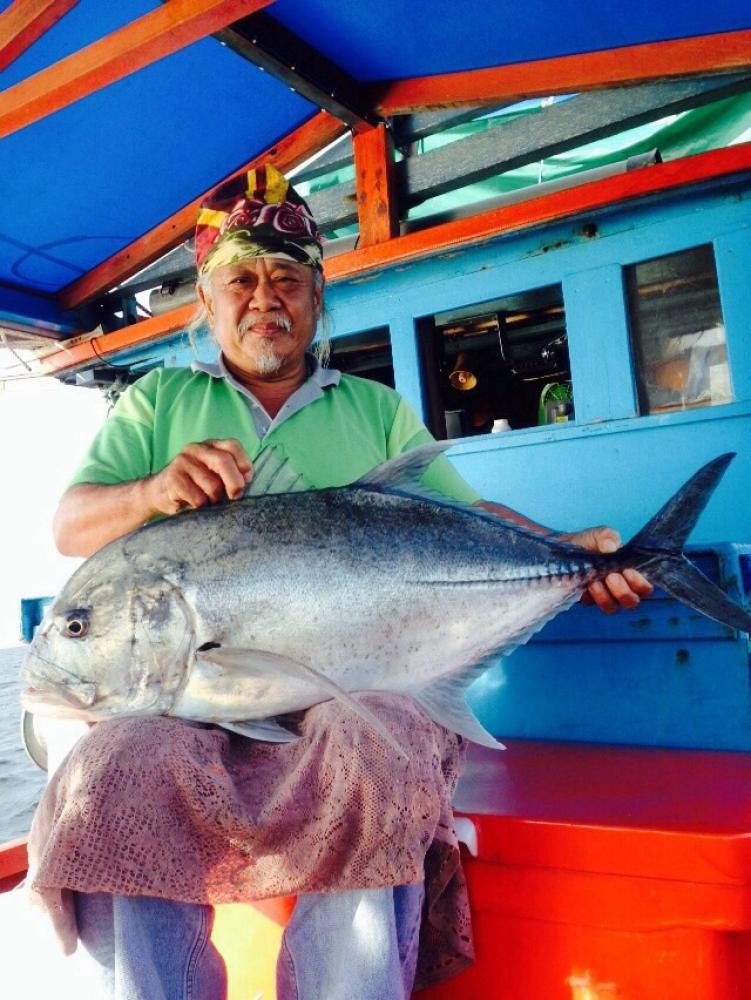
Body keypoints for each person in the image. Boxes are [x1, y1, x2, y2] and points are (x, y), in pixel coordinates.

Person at [32, 164, 651, 1000]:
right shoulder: (156, 403)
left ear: (316, 301)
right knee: (116, 768)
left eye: (286, 278)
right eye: (239, 281)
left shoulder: (373, 410)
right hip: (194, 702)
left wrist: (571, 553)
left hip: (353, 683)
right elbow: (71, 526)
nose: (264, 298)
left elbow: (469, 517)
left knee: (375, 744)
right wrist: (149, 491)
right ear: (206, 306)